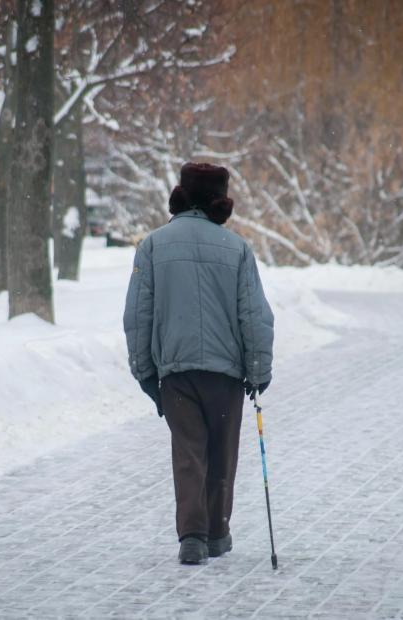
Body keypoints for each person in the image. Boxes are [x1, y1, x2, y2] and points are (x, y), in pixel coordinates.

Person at [123, 162, 274, 565]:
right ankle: (216, 532)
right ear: (220, 203)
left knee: (189, 452)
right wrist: (258, 370)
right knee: (221, 454)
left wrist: (145, 371)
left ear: (182, 196)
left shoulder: (153, 246)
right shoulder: (238, 249)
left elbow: (138, 315)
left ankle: (191, 535)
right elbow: (254, 316)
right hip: (224, 376)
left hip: (176, 374)